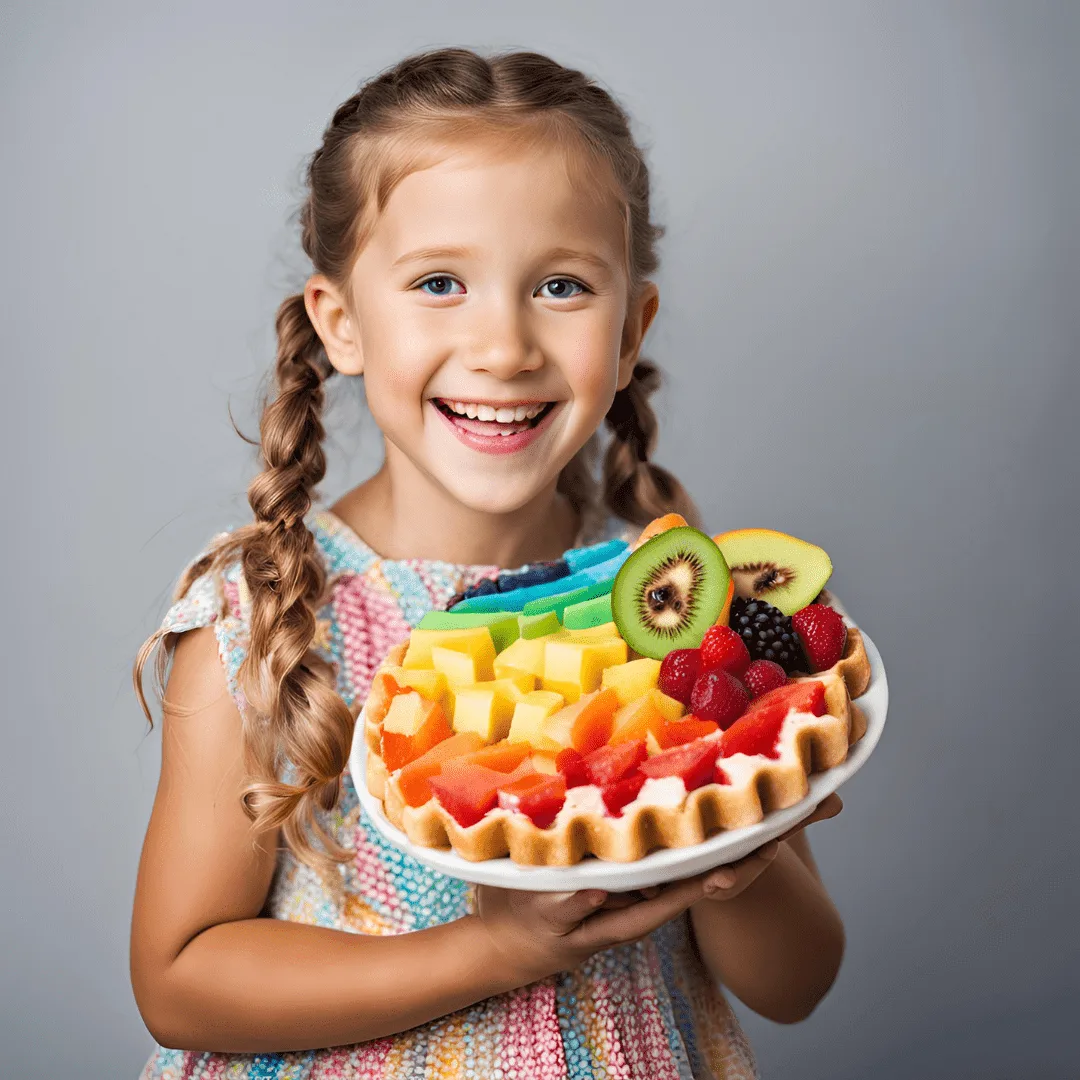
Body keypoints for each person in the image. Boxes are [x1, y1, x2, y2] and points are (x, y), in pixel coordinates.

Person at [130, 46, 846, 1079]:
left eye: (561, 285)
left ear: (632, 323)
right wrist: (492, 949)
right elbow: (179, 979)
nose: (503, 345)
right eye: (439, 284)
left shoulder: (675, 605)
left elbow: (797, 983)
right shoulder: (270, 618)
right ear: (342, 324)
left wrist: (742, 852)